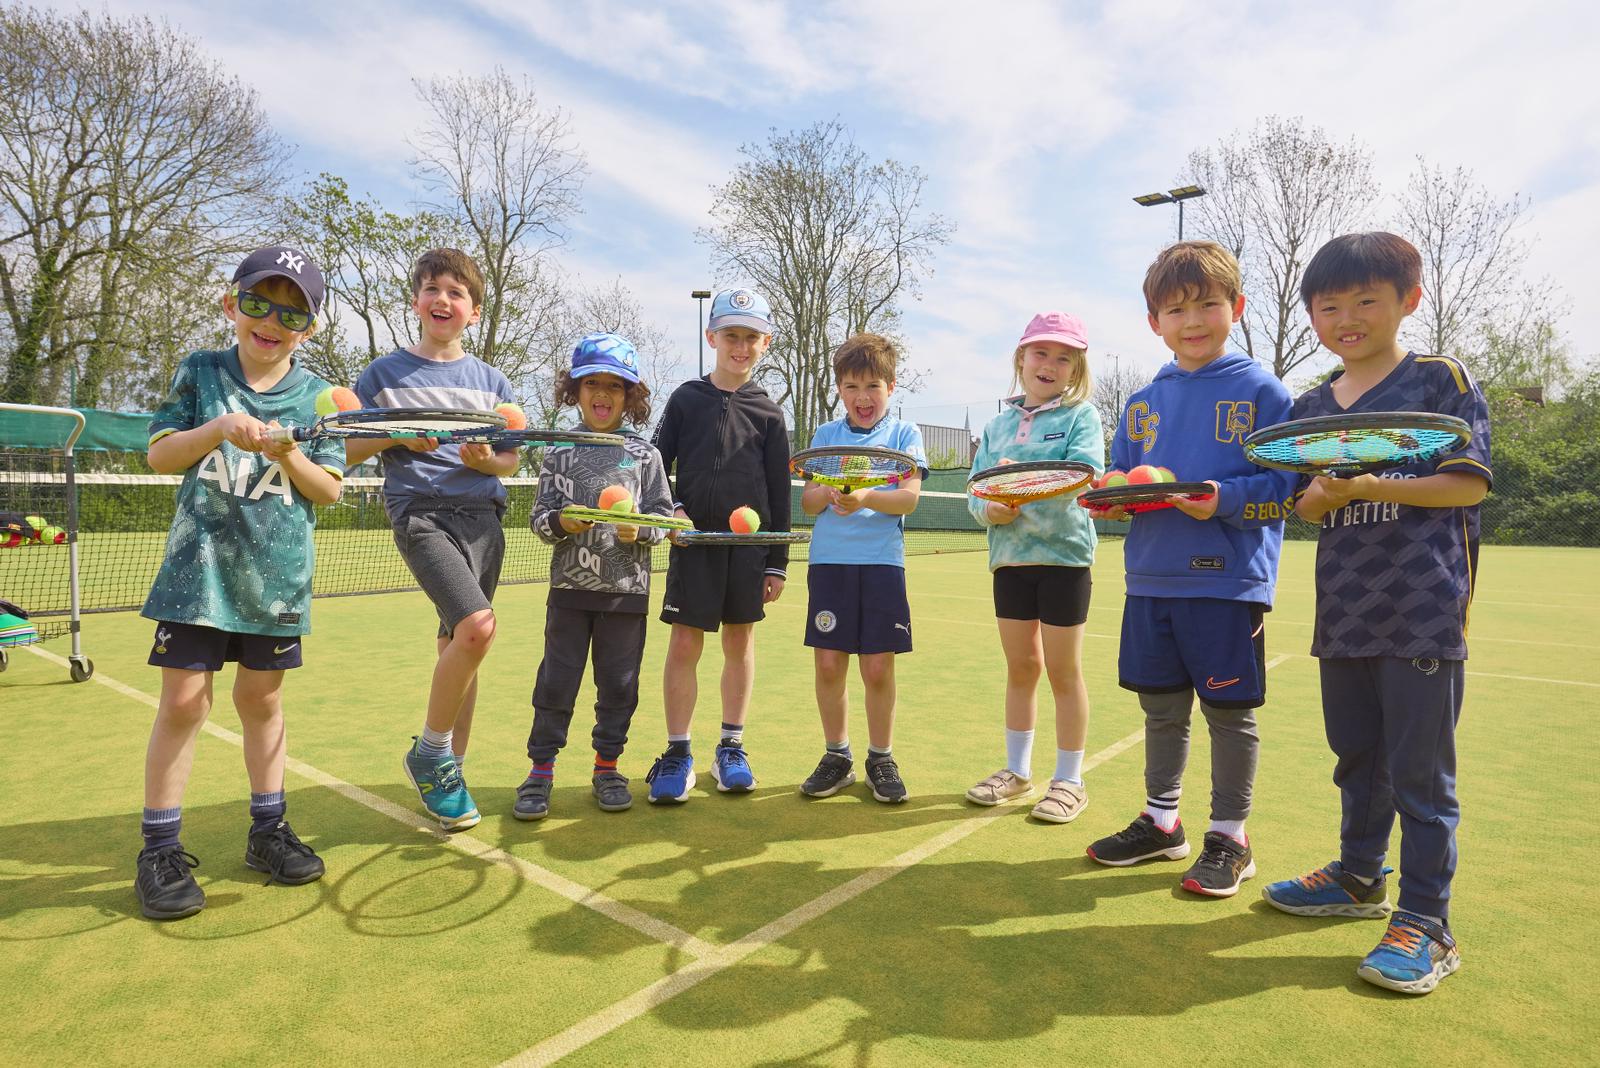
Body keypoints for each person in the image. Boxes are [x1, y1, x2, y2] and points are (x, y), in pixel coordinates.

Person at [1261, 232, 1491, 995]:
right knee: (1357, 757)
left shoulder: (1439, 380)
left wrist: (1364, 486)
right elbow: (1304, 505)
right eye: (1330, 306)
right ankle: (1358, 877)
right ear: (1312, 316)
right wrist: (1327, 493)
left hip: (1423, 609)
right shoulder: (1311, 407)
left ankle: (1427, 921)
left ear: (1407, 300)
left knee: (1420, 776)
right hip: (1344, 612)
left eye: (1366, 300)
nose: (1348, 318)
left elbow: (1468, 483)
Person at [135, 245, 344, 920]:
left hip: (275, 584)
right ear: (232, 304)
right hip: (197, 576)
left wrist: (290, 452)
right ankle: (160, 849)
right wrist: (220, 427)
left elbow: (330, 491)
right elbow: (161, 455)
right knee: (184, 704)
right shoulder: (201, 371)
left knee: (261, 700)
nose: (271, 321)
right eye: (259, 303)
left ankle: (267, 830)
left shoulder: (320, 397)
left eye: (292, 313)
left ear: (308, 329)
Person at [1084, 240, 1297, 897]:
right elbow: (1126, 478)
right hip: (1151, 580)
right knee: (1161, 710)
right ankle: (1161, 822)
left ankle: (1231, 837)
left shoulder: (1264, 392)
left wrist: (1220, 499)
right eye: (1176, 310)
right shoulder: (1142, 402)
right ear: (1155, 322)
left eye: (1207, 304)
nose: (1193, 320)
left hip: (1226, 583)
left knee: (1229, 714)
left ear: (1237, 307)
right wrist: (1110, 497)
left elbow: (1285, 490)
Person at [349, 249, 521, 831]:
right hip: (421, 514)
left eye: (456, 292)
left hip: (483, 518)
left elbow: (508, 462)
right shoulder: (383, 376)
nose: (442, 299)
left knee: (458, 643)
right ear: (416, 301)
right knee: (478, 629)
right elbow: (345, 451)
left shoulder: (493, 384)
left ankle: (451, 772)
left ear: (475, 311)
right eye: (432, 289)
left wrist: (484, 459)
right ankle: (430, 753)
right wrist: (397, 435)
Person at [514, 333, 673, 819]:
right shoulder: (557, 452)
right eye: (591, 384)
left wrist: (638, 530)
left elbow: (663, 519)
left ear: (630, 396)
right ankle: (540, 771)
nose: (602, 394)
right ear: (575, 391)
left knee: (619, 686)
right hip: (569, 593)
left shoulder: (645, 455)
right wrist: (562, 523)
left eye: (614, 386)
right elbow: (539, 519)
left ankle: (608, 768)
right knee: (556, 684)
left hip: (626, 595)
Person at [645, 288, 792, 803]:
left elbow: (779, 493)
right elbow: (654, 464)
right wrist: (672, 511)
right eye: (732, 335)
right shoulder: (686, 398)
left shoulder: (770, 413)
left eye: (752, 337)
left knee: (739, 643)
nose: (741, 346)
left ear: (765, 343)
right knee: (685, 645)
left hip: (748, 553)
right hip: (693, 546)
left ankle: (731, 747)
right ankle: (677, 752)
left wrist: (777, 563)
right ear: (712, 337)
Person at [963, 312, 1103, 823]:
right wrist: (991, 509)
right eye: (1041, 352)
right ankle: (1018, 772)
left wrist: (1019, 482)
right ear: (1021, 358)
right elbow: (977, 492)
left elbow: (1083, 475)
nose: (1050, 364)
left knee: (1064, 672)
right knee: (1022, 668)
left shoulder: (1081, 417)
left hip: (1064, 559)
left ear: (1075, 369)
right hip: (1010, 562)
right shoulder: (997, 426)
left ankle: (1069, 779)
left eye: (1064, 357)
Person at [797, 334, 927, 803]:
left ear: (890, 387)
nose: (862, 397)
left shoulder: (904, 436)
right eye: (851, 387)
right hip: (829, 564)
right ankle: (837, 757)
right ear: (839, 389)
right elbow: (809, 502)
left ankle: (880, 758)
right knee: (829, 663)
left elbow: (908, 500)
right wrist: (831, 491)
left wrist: (867, 496)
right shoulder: (825, 436)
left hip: (881, 565)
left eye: (873, 385)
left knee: (876, 667)